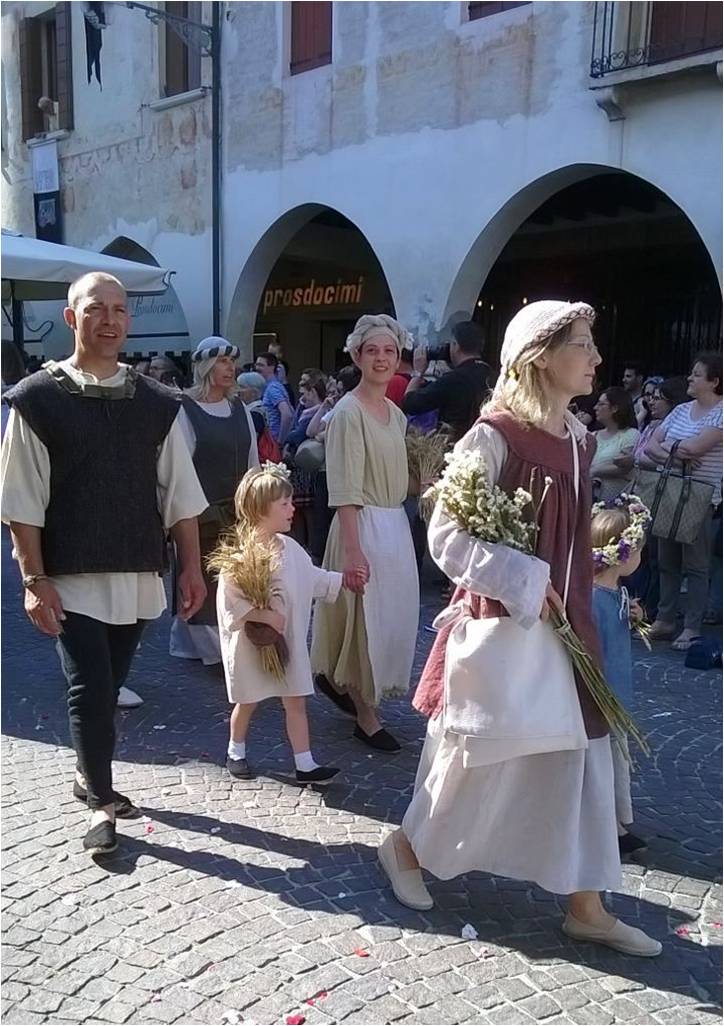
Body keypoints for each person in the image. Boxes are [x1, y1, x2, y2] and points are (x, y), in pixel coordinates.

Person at [380, 300, 661, 958]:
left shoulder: (580, 440)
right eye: (582, 344)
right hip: (505, 627)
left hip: (571, 627)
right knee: (480, 756)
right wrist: (527, 579)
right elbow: (447, 537)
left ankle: (586, 905)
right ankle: (405, 848)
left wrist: (591, 583)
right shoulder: (494, 436)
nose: (596, 357)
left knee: (580, 756)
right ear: (540, 357)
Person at [0, 272, 207, 856]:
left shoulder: (157, 404)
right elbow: (21, 501)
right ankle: (101, 803)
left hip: (136, 567)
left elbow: (180, 494)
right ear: (72, 318)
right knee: (91, 688)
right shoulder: (37, 400)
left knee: (111, 682)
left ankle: (85, 772)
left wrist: (191, 569)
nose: (109, 320)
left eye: (119, 309)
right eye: (96, 309)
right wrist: (33, 579)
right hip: (68, 573)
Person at [311, 314, 419, 752]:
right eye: (372, 350)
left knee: (391, 617)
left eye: (389, 351)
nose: (381, 358)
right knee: (363, 621)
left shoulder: (396, 415)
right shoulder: (347, 413)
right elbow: (345, 488)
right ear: (357, 356)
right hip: (361, 526)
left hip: (394, 525)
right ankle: (366, 715)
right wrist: (354, 552)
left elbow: (397, 475)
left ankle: (342, 683)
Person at [211, 463, 350, 784]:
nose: (292, 509)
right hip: (252, 644)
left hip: (287, 643)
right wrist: (263, 616)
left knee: (295, 700)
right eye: (284, 504)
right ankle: (235, 750)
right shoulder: (241, 557)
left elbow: (310, 576)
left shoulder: (290, 549)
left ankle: (305, 763)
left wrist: (342, 581)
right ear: (261, 509)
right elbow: (230, 601)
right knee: (248, 700)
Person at [169, 337, 259, 666]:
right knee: (204, 578)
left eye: (231, 362)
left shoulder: (240, 410)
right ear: (206, 367)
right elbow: (178, 468)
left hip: (239, 514)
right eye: (222, 361)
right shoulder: (185, 410)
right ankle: (212, 648)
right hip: (202, 515)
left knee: (238, 582)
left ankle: (236, 641)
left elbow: (253, 461)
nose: (229, 368)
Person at [645, 352, 723, 651]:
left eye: (697, 374)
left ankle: (691, 626)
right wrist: (678, 457)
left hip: (700, 496)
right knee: (667, 559)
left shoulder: (721, 413)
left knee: (696, 563)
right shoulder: (680, 410)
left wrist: (671, 450)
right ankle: (665, 619)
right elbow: (651, 446)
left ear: (715, 381)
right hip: (670, 490)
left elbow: (696, 447)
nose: (690, 378)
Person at [591, 495, 651, 858]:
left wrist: (633, 616)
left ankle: (615, 820)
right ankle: (609, 825)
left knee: (616, 757)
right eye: (639, 550)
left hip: (614, 691)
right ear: (624, 554)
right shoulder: (594, 597)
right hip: (603, 693)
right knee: (607, 758)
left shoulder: (615, 593)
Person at [402, 321, 491, 442]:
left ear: (455, 345)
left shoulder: (453, 379)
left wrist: (418, 372)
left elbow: (409, 403)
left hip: (456, 446)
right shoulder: (492, 375)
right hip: (487, 443)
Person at [591, 386, 639, 500]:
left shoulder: (630, 434)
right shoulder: (592, 435)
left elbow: (623, 467)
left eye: (601, 404)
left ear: (615, 408)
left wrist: (594, 471)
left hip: (613, 501)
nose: (595, 408)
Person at [255, 352, 295, 445]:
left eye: (261, 365)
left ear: (272, 367)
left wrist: (280, 442)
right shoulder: (270, 386)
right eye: (256, 365)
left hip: (272, 442)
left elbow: (287, 414)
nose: (257, 368)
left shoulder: (273, 388)